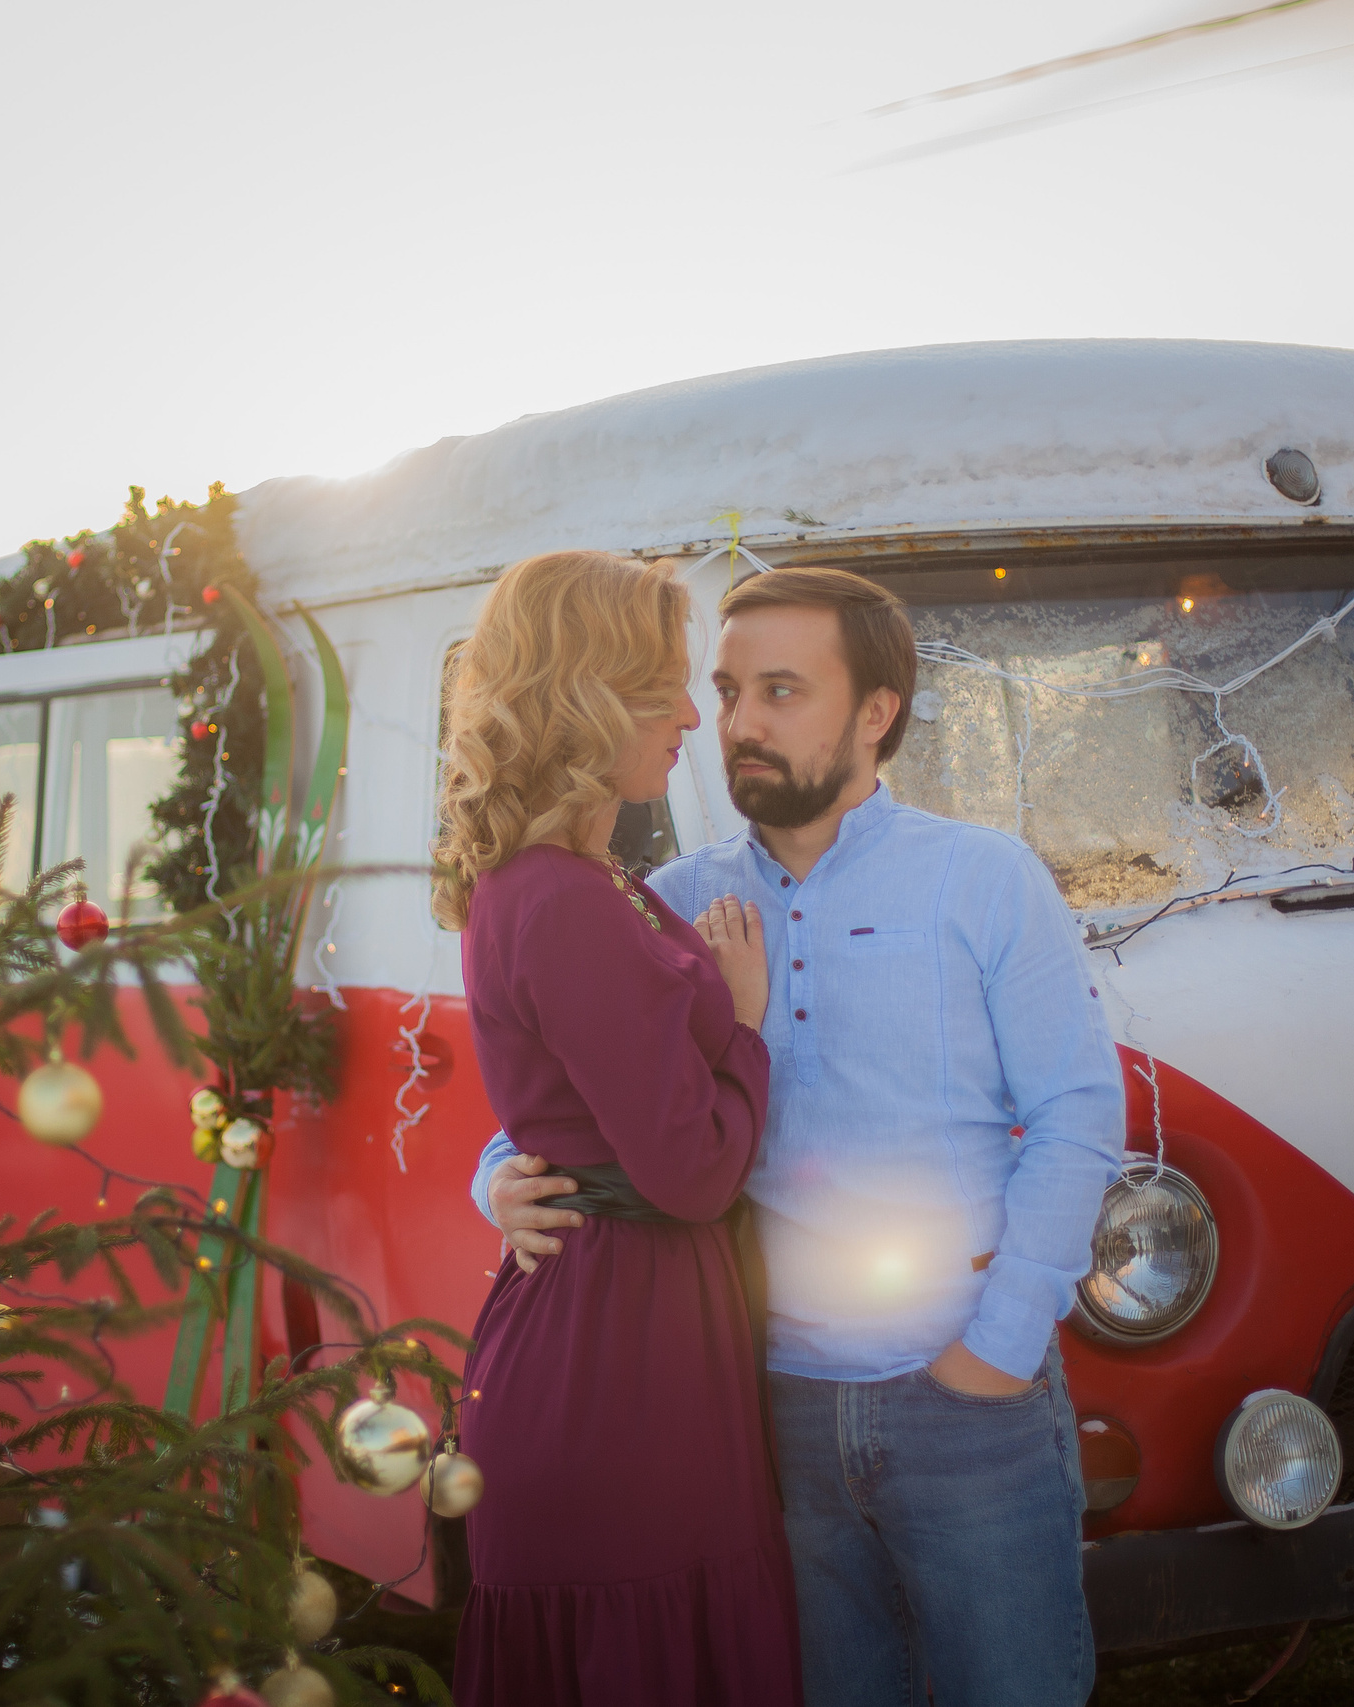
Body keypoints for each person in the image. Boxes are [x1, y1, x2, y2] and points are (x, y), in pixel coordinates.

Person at [474, 564, 1125, 1707]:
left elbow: (1078, 1115)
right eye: (725, 691)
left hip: (965, 1402)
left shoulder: (982, 880)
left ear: (874, 712)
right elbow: (568, 1094)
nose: (735, 724)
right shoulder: (668, 897)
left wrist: (999, 1349)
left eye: (780, 691)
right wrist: (495, 1180)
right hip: (760, 1406)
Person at [436, 550, 805, 1707]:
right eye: (664, 690)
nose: (695, 716)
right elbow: (690, 1171)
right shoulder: (559, 894)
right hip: (616, 1362)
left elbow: (567, 1113)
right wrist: (743, 1025)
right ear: (584, 694)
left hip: (622, 1329)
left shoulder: (568, 879)